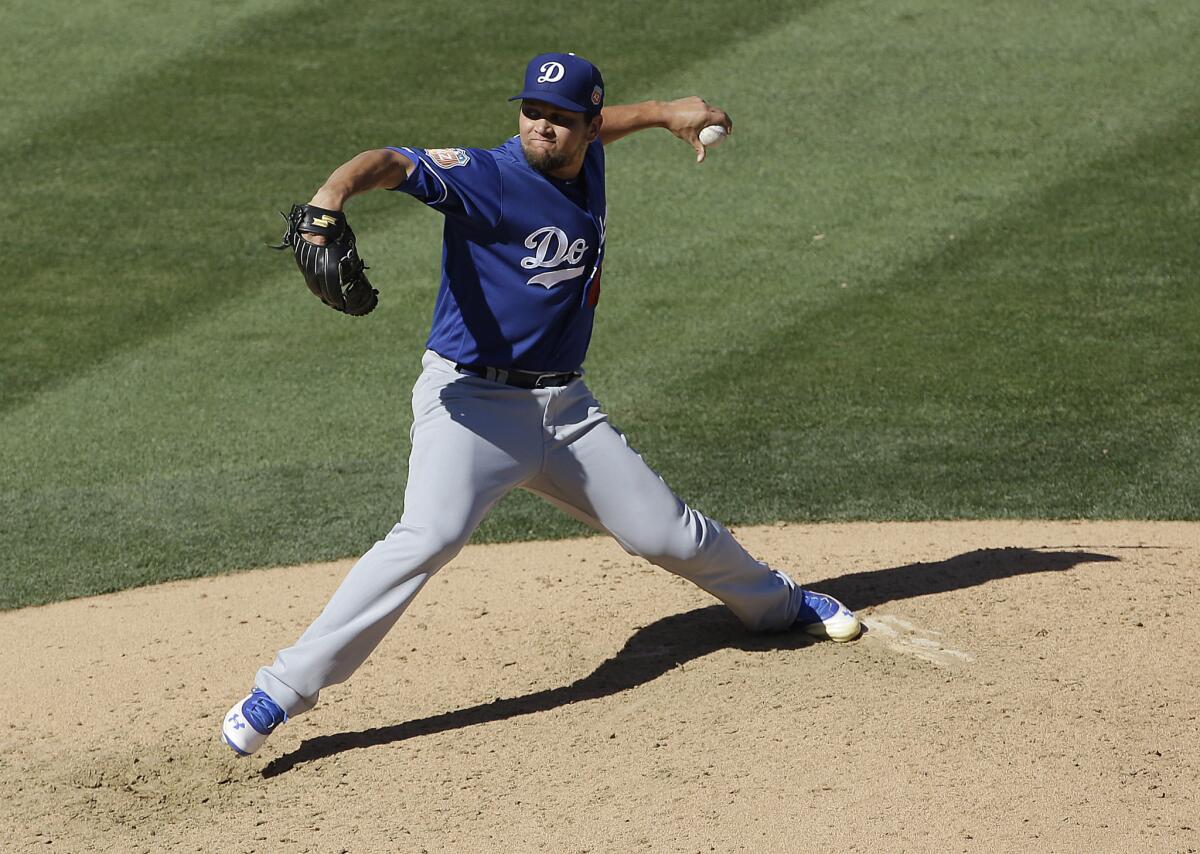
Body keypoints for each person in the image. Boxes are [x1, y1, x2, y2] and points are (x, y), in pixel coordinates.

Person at [221, 52, 861, 756]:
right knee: (425, 538)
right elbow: (390, 162)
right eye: (532, 112)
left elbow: (605, 125)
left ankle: (778, 603)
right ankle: (281, 690)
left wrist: (665, 112)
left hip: (567, 410)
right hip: (472, 405)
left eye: (560, 118)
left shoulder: (586, 156)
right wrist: (328, 202)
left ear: (585, 127)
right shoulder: (487, 177)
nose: (541, 128)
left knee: (667, 535)